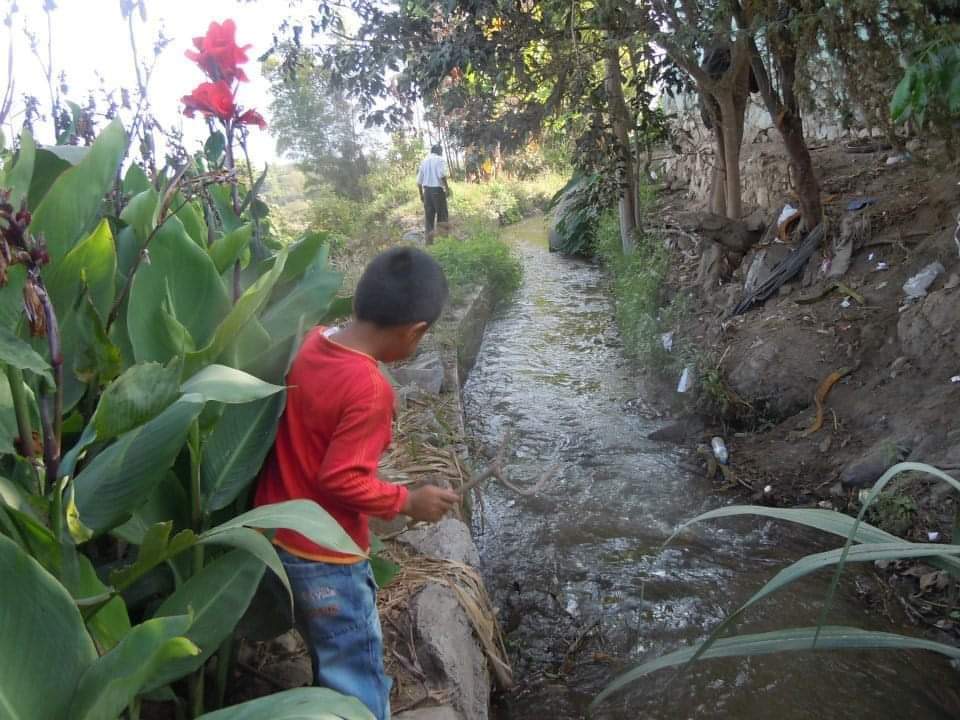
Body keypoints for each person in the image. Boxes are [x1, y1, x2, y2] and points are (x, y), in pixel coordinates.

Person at [254, 247, 460, 720]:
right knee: (355, 676)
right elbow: (341, 478)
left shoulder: (312, 342)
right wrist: (407, 500)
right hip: (328, 561)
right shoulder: (370, 389)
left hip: (276, 537)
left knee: (328, 659)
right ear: (415, 333)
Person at [416, 143, 452, 244]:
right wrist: (447, 188)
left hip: (427, 192)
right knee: (442, 216)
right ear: (439, 151)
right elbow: (442, 175)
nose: (442, 153)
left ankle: (429, 243)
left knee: (429, 218)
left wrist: (421, 195)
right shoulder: (440, 160)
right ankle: (444, 242)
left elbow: (419, 181)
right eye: (441, 152)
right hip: (437, 191)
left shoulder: (424, 161)